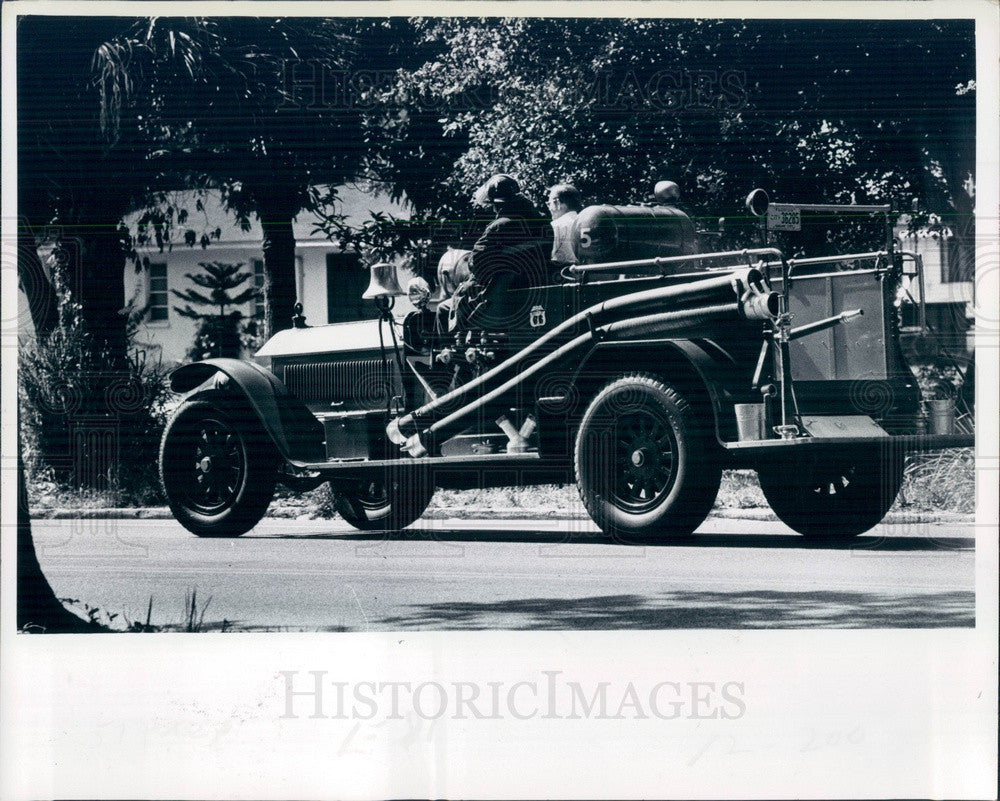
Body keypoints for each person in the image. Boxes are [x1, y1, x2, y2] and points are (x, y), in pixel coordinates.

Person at [453, 174, 553, 330]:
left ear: (497, 204)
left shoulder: (499, 226)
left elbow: (477, 263)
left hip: (500, 296)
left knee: (444, 308)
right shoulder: (545, 223)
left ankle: (452, 352)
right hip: (538, 291)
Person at [547, 183, 584, 265]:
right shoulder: (586, 222)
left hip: (564, 274)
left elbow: (549, 257)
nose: (549, 208)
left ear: (557, 203)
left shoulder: (555, 226)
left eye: (549, 204)